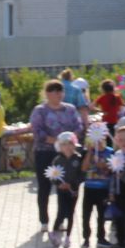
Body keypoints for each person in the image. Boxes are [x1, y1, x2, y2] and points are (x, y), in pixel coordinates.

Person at [29, 79, 84, 233]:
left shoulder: (70, 109)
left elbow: (79, 126)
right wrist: (55, 140)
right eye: (53, 90)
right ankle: (44, 220)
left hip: (66, 153)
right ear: (47, 93)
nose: (57, 93)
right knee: (44, 187)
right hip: (45, 152)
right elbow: (37, 130)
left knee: (65, 187)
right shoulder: (40, 110)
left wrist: (69, 140)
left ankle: (61, 219)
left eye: (60, 90)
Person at [80, 124, 116, 247]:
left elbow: (114, 169)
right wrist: (89, 153)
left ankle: (101, 237)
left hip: (103, 189)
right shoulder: (87, 152)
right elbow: (84, 168)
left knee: (101, 215)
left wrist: (105, 166)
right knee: (86, 215)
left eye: (101, 138)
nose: (98, 142)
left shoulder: (110, 152)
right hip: (89, 188)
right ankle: (86, 238)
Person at [50, 130, 83, 248]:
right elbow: (52, 175)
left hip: (73, 191)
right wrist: (58, 184)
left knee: (70, 213)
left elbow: (81, 175)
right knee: (61, 212)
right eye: (64, 144)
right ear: (60, 146)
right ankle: (54, 232)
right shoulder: (57, 160)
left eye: (70, 143)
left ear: (74, 144)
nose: (67, 147)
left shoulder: (78, 158)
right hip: (61, 191)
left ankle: (68, 237)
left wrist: (74, 184)